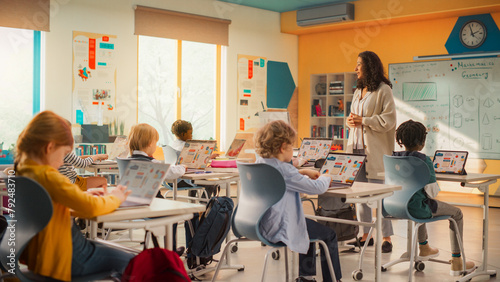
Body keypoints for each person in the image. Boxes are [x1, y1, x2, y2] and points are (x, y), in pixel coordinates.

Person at [14, 111, 133, 281]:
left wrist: (83, 194)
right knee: (133, 262)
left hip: (43, 255)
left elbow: (52, 205)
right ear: (49, 147)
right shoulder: (48, 175)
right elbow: (90, 208)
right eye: (63, 154)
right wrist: (116, 197)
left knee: (111, 252)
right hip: (69, 254)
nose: (63, 162)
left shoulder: (24, 170)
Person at [255, 120, 342, 282]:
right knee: (328, 235)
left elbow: (286, 178)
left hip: (262, 224)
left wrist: (301, 171)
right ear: (283, 147)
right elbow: (317, 188)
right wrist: (325, 177)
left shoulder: (261, 163)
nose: (294, 151)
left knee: (306, 226)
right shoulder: (284, 169)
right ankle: (333, 280)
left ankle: (306, 277)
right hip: (280, 227)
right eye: (292, 147)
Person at [393, 120, 476, 275]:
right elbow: (432, 193)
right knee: (456, 213)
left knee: (418, 201)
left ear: (401, 140)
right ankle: (457, 261)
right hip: (416, 209)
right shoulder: (424, 160)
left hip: (396, 206)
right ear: (422, 142)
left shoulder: (393, 157)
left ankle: (424, 247)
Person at [346, 50, 396, 253]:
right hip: (355, 149)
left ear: (369, 66)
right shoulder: (358, 91)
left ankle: (387, 237)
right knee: (359, 197)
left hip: (374, 152)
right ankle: (365, 234)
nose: (355, 68)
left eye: (359, 64)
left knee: (380, 197)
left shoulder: (384, 90)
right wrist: (351, 122)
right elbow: (353, 118)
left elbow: (389, 120)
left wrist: (363, 120)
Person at [126, 123, 187, 256]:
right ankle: (171, 251)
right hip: (153, 205)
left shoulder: (126, 160)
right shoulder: (152, 163)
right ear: (149, 144)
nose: (156, 146)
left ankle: (166, 249)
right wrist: (183, 167)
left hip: (133, 205)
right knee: (174, 215)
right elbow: (171, 173)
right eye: (155, 143)